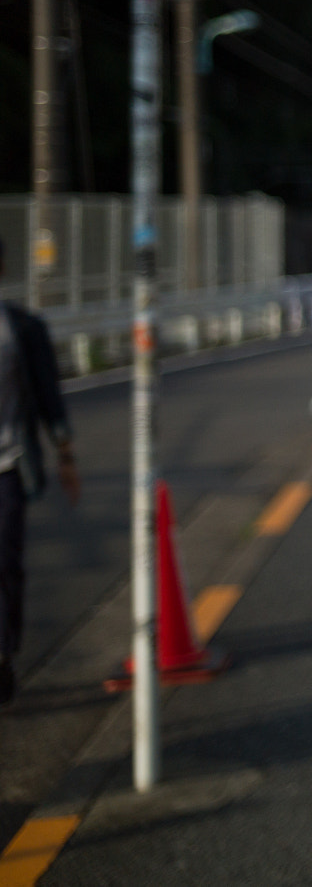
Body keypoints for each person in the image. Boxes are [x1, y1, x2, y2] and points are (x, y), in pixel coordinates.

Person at [0, 238, 82, 708]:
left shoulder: (22, 329)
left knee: (5, 564)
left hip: (9, 466)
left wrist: (65, 455)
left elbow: (49, 396)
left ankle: (4, 651)